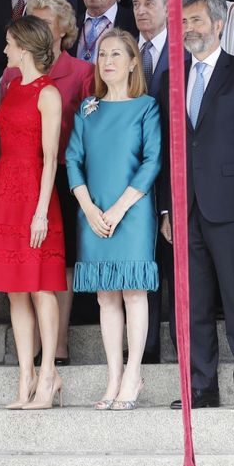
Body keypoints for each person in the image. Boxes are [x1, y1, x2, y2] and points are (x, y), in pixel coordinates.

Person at [165, 0, 234, 410]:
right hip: (184, 207)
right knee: (192, 303)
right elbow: (168, 144)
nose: (189, 28)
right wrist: (166, 207)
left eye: (196, 20)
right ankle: (201, 387)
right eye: (183, 21)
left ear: (219, 24)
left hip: (232, 207)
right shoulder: (173, 76)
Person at [0, 16, 69, 410]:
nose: (5, 49)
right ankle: (25, 375)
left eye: (10, 43)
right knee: (15, 289)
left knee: (41, 285)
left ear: (25, 48)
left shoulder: (49, 93)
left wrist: (41, 212)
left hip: (34, 192)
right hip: (3, 189)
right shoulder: (11, 85)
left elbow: (49, 158)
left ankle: (48, 375)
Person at [67, 28, 162, 410]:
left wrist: (120, 207)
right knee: (106, 295)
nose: (106, 61)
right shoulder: (88, 108)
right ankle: (113, 375)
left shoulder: (146, 106)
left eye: (115, 55)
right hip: (92, 211)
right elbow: (73, 159)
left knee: (133, 291)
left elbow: (153, 160)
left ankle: (133, 374)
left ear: (132, 62)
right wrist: (89, 208)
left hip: (133, 211)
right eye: (102, 54)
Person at [15, 0, 95, 364]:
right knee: (23, 260)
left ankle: (58, 343)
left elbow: (88, 133)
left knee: (58, 262)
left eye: (47, 23)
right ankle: (29, 345)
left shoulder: (82, 73)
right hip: (18, 176)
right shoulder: (11, 71)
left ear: (64, 32)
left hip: (62, 175)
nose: (38, 29)